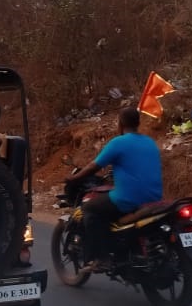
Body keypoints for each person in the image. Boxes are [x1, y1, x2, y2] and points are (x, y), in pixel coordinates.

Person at [64, 107, 163, 270]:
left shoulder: (118, 143)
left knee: (90, 209)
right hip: (154, 198)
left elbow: (93, 166)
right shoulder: (150, 142)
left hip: (128, 200)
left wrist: (73, 178)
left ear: (120, 123)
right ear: (138, 123)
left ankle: (101, 258)